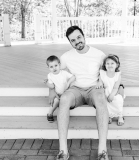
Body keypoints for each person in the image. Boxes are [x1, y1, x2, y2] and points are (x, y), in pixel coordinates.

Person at [48, 25, 123, 160]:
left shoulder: (98, 54)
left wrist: (116, 86)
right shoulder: (66, 56)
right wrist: (51, 90)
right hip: (75, 89)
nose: (77, 42)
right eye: (73, 40)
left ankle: (102, 150)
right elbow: (55, 72)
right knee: (64, 99)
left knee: (101, 100)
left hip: (94, 88)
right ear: (70, 43)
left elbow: (109, 71)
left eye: (79, 37)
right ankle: (63, 150)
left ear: (83, 36)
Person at [46, 55, 76, 123]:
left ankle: (63, 116)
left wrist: (68, 83)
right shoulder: (50, 75)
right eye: (51, 67)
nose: (54, 68)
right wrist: (47, 83)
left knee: (65, 101)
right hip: (57, 94)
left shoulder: (64, 73)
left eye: (56, 65)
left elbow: (73, 77)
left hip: (65, 94)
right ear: (48, 68)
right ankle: (50, 113)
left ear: (59, 65)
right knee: (55, 101)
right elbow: (52, 86)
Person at [99, 54, 125, 126]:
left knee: (118, 100)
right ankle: (109, 116)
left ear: (116, 65)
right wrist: (99, 84)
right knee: (106, 103)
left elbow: (116, 87)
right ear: (105, 65)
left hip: (114, 92)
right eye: (107, 63)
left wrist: (112, 95)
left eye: (112, 63)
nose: (110, 65)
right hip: (106, 92)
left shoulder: (117, 75)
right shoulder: (102, 74)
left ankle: (120, 116)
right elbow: (100, 82)